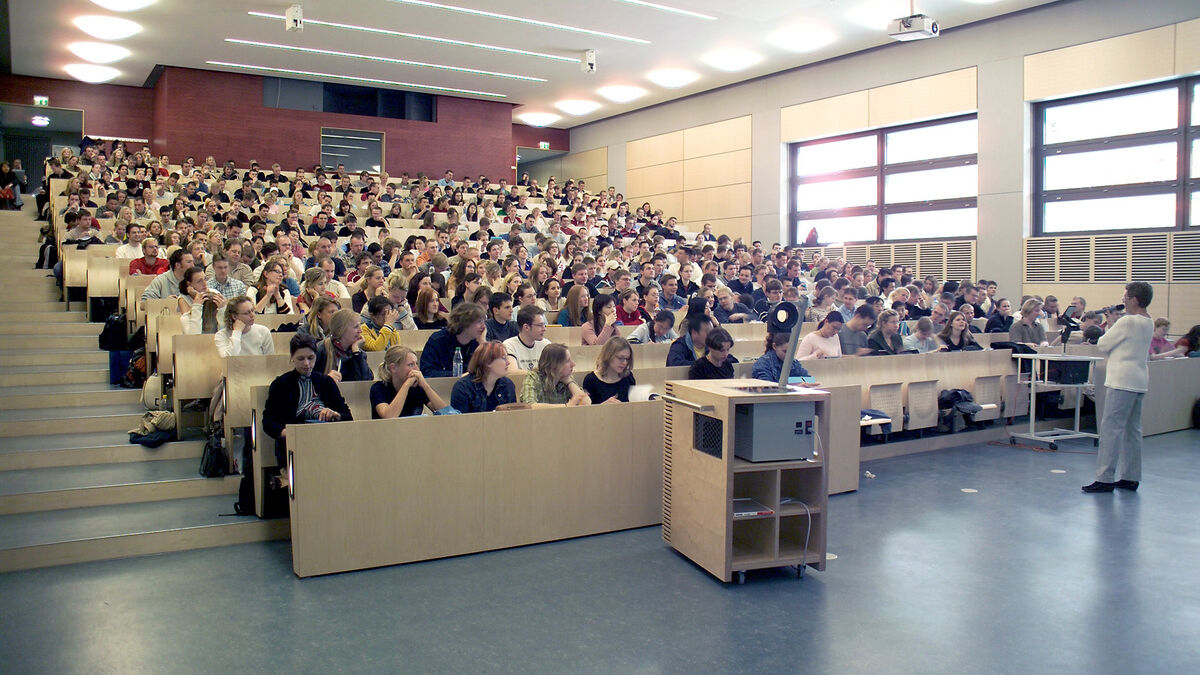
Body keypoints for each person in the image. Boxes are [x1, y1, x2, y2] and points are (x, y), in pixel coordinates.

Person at [1084, 282, 1156, 493]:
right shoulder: (1147, 320)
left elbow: (1103, 344)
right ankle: (1131, 476)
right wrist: (1115, 321)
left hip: (1121, 380)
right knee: (1132, 429)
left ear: (1134, 299)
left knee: (1111, 429)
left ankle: (1104, 477)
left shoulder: (1127, 322)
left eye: (1125, 296)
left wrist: (1112, 323)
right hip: (1139, 380)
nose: (1123, 299)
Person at [262, 334, 352, 467]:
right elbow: (268, 421)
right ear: (292, 357)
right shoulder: (281, 384)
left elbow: (348, 417)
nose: (306, 363)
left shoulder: (326, 382)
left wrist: (336, 415)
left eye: (311, 358)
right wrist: (287, 433)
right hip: (295, 443)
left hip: (327, 439)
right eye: (300, 358)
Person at [371, 346, 450, 418]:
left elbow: (446, 413)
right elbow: (389, 417)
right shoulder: (379, 388)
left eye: (416, 364)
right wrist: (406, 385)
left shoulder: (417, 387)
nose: (416, 369)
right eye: (410, 365)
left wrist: (426, 386)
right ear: (393, 368)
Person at [450, 341, 519, 413]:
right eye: (504, 358)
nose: (508, 362)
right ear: (488, 362)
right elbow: (460, 421)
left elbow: (511, 417)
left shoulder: (508, 385)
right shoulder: (463, 388)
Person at [420, 302, 486, 377]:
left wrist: (482, 343)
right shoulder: (438, 340)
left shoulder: (477, 342)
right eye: (479, 322)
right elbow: (427, 372)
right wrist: (458, 376)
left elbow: (488, 371)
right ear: (465, 323)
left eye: (483, 321)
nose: (483, 326)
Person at [519, 343, 590, 406]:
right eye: (567, 361)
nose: (573, 364)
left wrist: (569, 382)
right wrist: (566, 406)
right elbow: (529, 405)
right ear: (555, 366)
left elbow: (586, 403)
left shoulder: (565, 377)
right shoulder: (533, 377)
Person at [313, 309, 371, 382]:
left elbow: (366, 380)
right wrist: (325, 379)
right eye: (356, 327)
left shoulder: (358, 353)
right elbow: (310, 378)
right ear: (342, 329)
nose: (360, 331)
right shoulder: (321, 349)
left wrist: (356, 351)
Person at [582, 336, 636, 404]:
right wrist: (604, 407)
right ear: (608, 356)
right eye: (620, 358)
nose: (625, 363)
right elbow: (587, 412)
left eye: (627, 359)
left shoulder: (628, 377)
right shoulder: (591, 380)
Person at [751, 332, 817, 384]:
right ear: (774, 346)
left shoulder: (794, 362)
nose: (789, 355)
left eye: (792, 351)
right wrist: (794, 385)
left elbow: (809, 379)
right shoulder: (763, 364)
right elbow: (766, 387)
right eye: (785, 351)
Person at [177, 267, 225, 334]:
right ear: (189, 284)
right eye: (199, 281)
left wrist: (196, 295)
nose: (204, 283)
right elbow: (191, 319)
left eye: (205, 279)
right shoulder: (183, 298)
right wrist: (197, 301)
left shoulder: (214, 293)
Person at [504, 304, 550, 371]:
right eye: (540, 325)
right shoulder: (509, 345)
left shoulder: (546, 345)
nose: (544, 329)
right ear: (526, 327)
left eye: (544, 325)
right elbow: (513, 374)